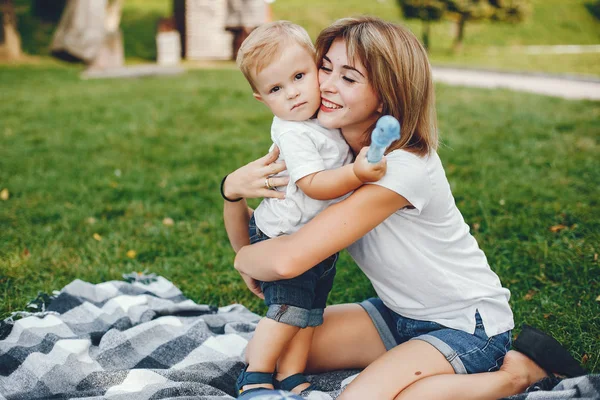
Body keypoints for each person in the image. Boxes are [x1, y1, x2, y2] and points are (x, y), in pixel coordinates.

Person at [222, 16, 584, 400]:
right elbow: (267, 239)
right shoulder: (330, 156)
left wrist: (243, 260)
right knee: (265, 357)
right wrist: (231, 192)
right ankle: (411, 362)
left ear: (386, 93)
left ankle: (515, 375)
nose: (325, 85)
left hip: (466, 325)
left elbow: (283, 263)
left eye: (349, 77)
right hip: (398, 314)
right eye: (324, 67)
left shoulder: (398, 168)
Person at [229, 20, 387, 397]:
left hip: (315, 239)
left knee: (310, 314)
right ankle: (255, 377)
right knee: (288, 311)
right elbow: (314, 186)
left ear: (316, 68)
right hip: (283, 236)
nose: (294, 93)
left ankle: (291, 375)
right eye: (276, 88)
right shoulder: (294, 131)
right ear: (262, 99)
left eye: (300, 76)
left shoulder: (320, 119)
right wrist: (356, 173)